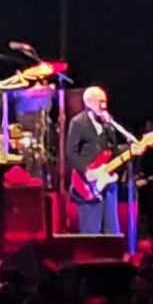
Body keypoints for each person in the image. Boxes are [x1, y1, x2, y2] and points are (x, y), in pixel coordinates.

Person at [65, 85, 131, 234]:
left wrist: (130, 150)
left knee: (112, 232)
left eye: (105, 101)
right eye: (100, 102)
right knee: (91, 232)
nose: (104, 106)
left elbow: (113, 150)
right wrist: (87, 171)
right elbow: (71, 153)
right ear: (89, 103)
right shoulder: (78, 122)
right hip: (87, 184)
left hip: (108, 182)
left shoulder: (108, 124)